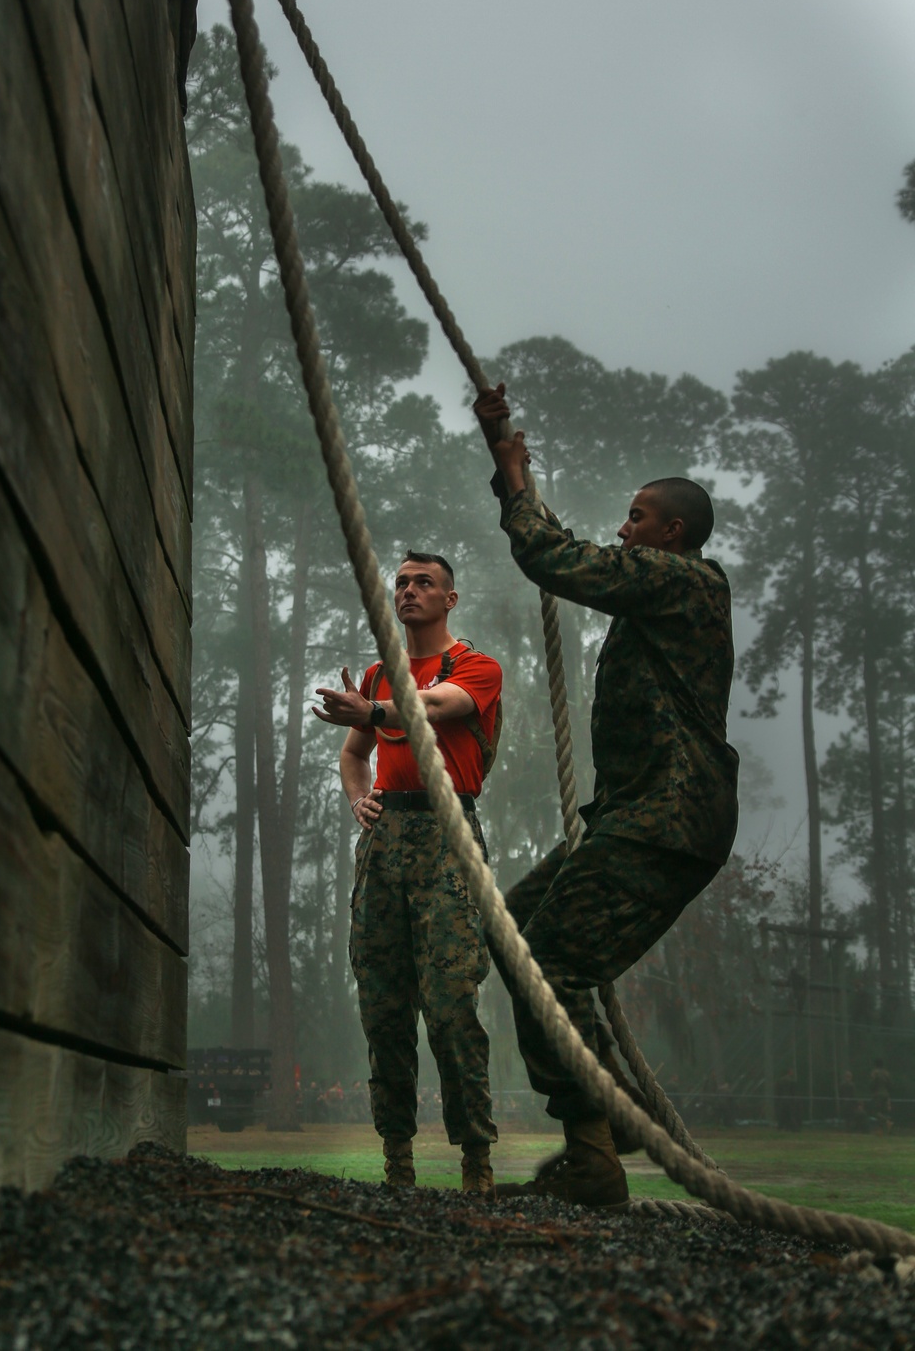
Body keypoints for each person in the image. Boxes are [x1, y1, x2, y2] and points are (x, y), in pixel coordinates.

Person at [472, 384, 740, 1208]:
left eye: (637, 516)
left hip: (672, 815)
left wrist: (516, 479)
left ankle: (602, 1130)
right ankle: (599, 1135)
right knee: (516, 931)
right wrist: (504, 462)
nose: (626, 528)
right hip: (634, 815)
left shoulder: (690, 584)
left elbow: (557, 558)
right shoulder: (660, 591)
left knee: (552, 961)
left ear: (674, 533)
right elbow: (560, 550)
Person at [313, 550, 502, 1194]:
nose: (410, 591)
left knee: (451, 1006)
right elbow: (353, 754)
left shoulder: (475, 668)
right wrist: (356, 794)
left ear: (450, 598)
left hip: (447, 836)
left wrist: (370, 713)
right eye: (401, 583)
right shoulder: (375, 676)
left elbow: (433, 709)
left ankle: (476, 1161)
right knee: (383, 1006)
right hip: (384, 842)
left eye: (424, 583)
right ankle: (398, 1164)